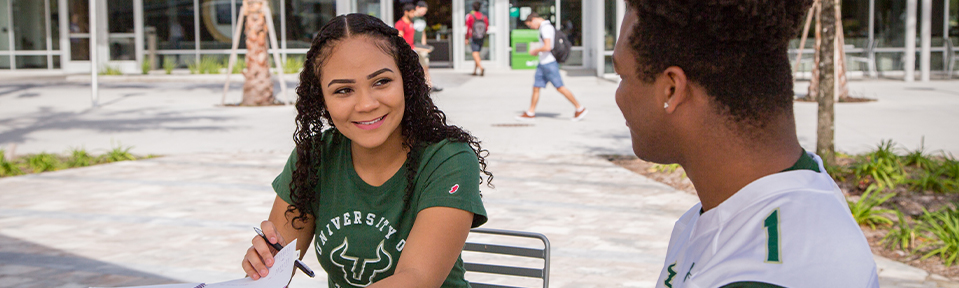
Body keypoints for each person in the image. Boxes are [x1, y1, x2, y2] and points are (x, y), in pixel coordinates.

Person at [613, 1, 879, 287]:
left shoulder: (764, 274)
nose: (617, 96)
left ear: (672, 89)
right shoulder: (779, 193)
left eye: (622, 77)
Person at [241, 13, 492, 288]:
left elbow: (416, 280)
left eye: (382, 82)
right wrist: (264, 265)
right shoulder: (315, 156)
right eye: (343, 90)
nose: (366, 104)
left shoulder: (448, 159)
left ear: (406, 82)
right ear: (321, 100)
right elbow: (276, 268)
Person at [516, 12, 587, 122]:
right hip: (543, 63)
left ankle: (580, 108)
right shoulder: (545, 28)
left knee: (560, 87)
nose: (532, 28)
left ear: (534, 20)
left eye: (530, 25)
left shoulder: (545, 28)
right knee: (536, 87)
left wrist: (535, 50)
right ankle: (530, 112)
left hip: (549, 63)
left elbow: (548, 47)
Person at [412, 1, 442, 92]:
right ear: (417, 7)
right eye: (423, 10)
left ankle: (429, 85)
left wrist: (424, 45)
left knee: (425, 65)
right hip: (413, 45)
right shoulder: (411, 18)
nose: (424, 13)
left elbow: (423, 32)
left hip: (420, 46)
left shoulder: (423, 19)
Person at [465, 1, 487, 76]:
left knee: (475, 53)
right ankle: (475, 71)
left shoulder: (471, 16)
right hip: (481, 37)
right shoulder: (484, 17)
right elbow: (486, 27)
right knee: (477, 53)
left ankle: (481, 68)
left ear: (473, 8)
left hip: (474, 36)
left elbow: (468, 28)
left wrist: (466, 38)